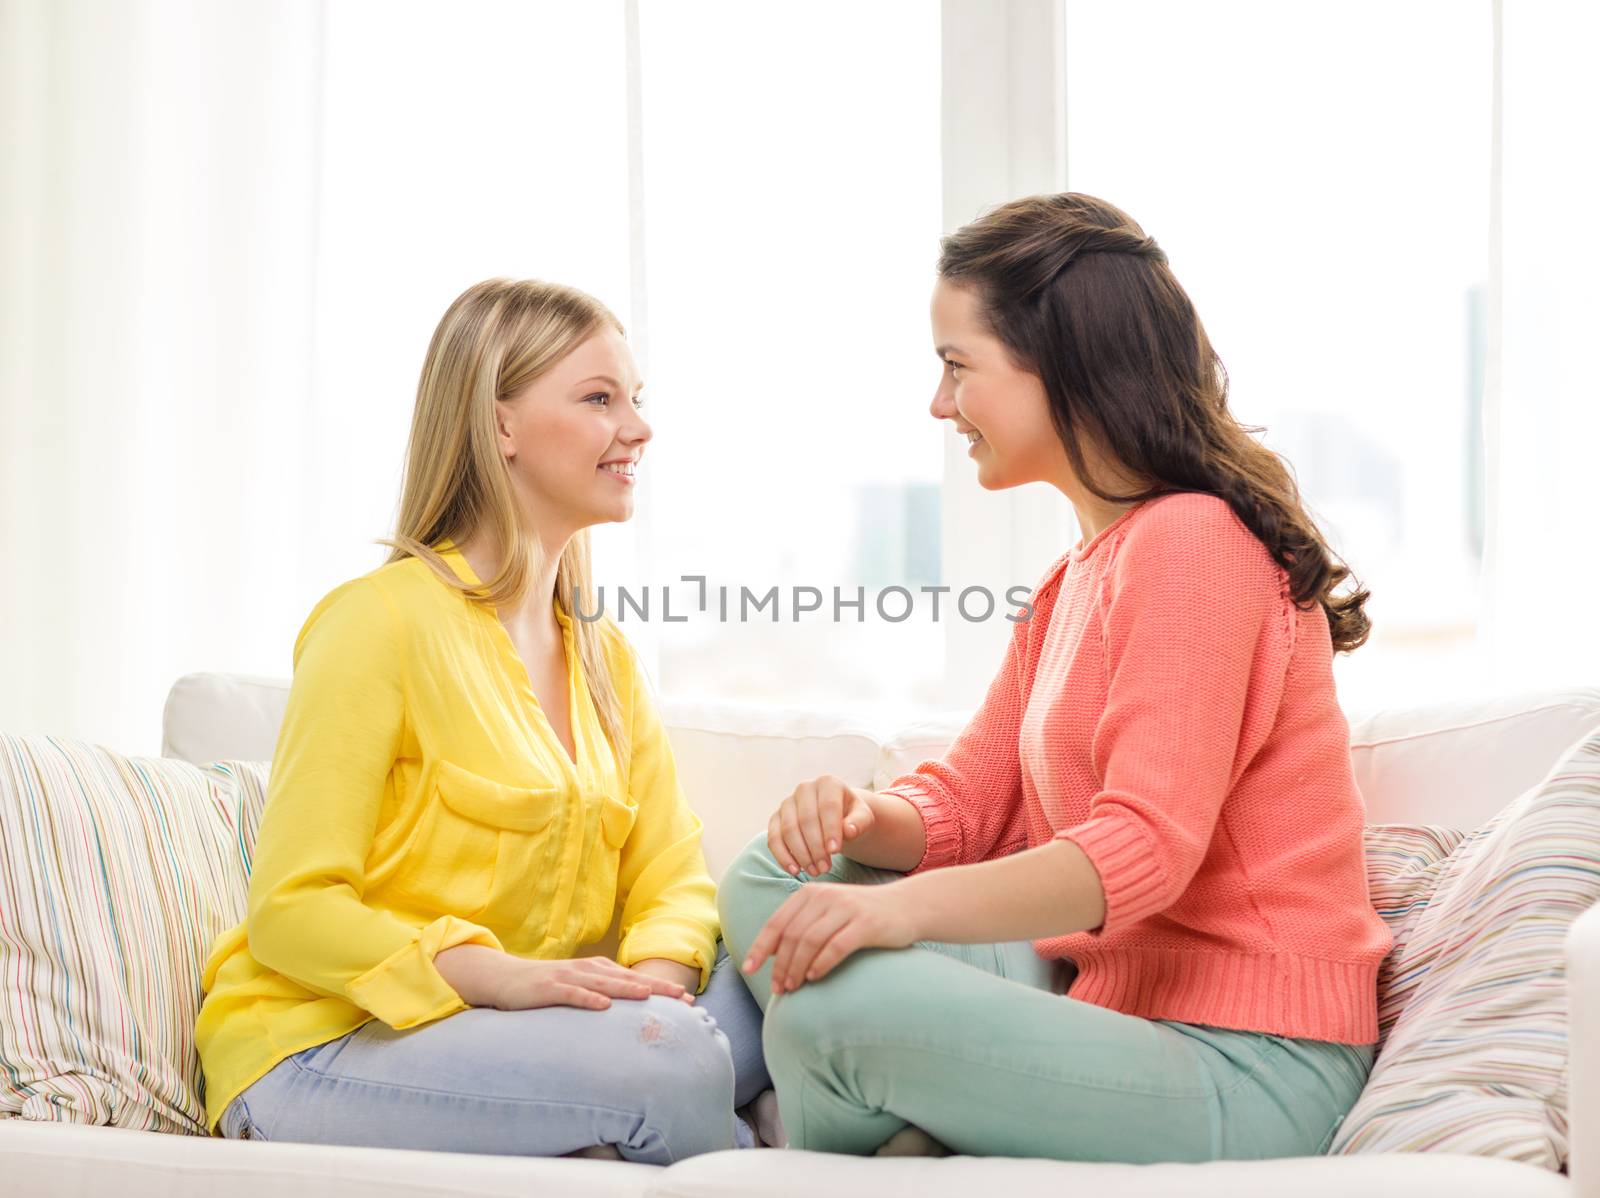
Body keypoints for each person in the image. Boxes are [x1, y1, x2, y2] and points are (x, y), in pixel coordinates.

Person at [717, 192, 1394, 1162]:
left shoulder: (1194, 539)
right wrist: (864, 824)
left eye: (957, 368)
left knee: (826, 1018)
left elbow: (1139, 848)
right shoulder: (1076, 573)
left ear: (1062, 370)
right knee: (779, 874)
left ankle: (909, 1129)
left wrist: (888, 907)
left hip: (1249, 1060)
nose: (938, 405)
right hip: (1116, 1002)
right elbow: (966, 804)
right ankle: (925, 1128)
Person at [195, 278, 773, 1163]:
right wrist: (499, 979)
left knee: (794, 952)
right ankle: (726, 1123)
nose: (639, 429)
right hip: (325, 1047)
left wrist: (652, 996)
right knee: (675, 1065)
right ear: (499, 424)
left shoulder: (603, 656)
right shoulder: (376, 623)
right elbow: (292, 910)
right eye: (598, 398)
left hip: (554, 1033)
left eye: (635, 400)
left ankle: (654, 1102)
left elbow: (671, 873)